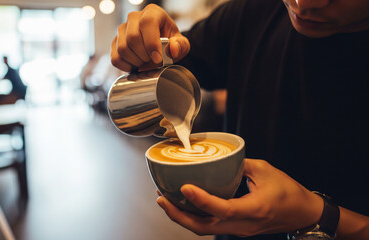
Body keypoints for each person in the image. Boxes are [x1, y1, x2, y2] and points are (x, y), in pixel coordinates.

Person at [110, 0, 369, 239]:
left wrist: (322, 217)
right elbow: (172, 64)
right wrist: (146, 47)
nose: (303, 4)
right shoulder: (253, 11)